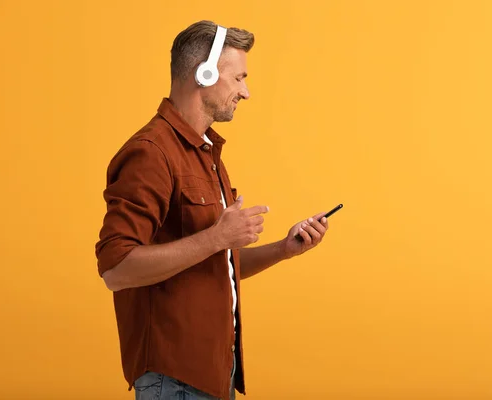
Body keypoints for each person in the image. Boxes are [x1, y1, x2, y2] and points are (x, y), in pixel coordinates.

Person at [95, 20, 331, 400]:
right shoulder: (151, 152)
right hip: (174, 379)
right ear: (203, 74)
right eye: (238, 78)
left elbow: (216, 261)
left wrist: (283, 250)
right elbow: (116, 270)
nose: (246, 92)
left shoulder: (205, 154)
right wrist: (216, 237)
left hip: (213, 374)